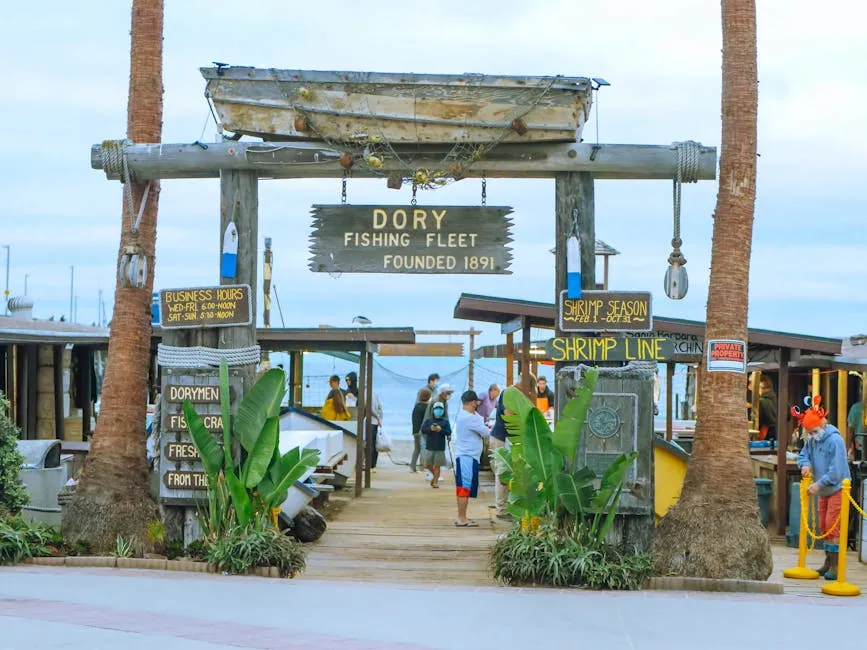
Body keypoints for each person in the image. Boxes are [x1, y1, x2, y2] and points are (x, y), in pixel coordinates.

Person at [795, 396, 851, 580]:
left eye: (814, 431)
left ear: (822, 426)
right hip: (822, 489)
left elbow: (836, 472)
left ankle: (835, 565)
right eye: (809, 432)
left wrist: (818, 485)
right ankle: (828, 562)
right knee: (822, 525)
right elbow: (803, 454)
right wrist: (805, 464)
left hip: (837, 487)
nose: (812, 435)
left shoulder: (835, 441)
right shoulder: (811, 440)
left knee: (832, 526)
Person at [489, 373, 535, 520]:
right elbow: (509, 414)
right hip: (502, 438)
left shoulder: (516, 394)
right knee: (503, 472)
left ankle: (508, 505)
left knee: (512, 473)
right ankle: (501, 509)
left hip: (510, 439)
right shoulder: (509, 393)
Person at [453, 390, 490, 527]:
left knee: (464, 486)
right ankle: (461, 518)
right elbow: (485, 432)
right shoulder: (469, 418)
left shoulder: (464, 415)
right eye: (476, 403)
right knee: (464, 487)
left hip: (468, 456)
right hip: (467, 456)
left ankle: (462, 516)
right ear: (472, 402)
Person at [421, 401, 452, 488]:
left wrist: (440, 430)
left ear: (443, 411)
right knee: (427, 464)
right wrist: (430, 429)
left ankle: (435, 481)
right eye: (437, 408)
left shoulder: (445, 422)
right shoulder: (428, 421)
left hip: (440, 447)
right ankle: (435, 476)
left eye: (441, 409)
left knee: (438, 465)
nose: (439, 410)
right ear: (433, 410)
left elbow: (449, 432)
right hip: (429, 446)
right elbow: (423, 430)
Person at [410, 388, 433, 472]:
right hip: (422, 432)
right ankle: (423, 466)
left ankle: (413, 466)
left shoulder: (417, 405)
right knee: (424, 449)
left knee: (417, 449)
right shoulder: (426, 407)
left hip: (415, 431)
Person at [757, 377, 777, 444]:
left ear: (762, 388)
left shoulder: (762, 401)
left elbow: (760, 418)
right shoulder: (776, 398)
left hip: (764, 431)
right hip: (776, 431)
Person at [368, 390, 384, 470]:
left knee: (370, 443)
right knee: (374, 443)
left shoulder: (365, 393)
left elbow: (369, 408)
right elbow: (380, 407)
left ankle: (369, 464)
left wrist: (377, 417)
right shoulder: (374, 393)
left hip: (369, 421)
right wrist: (380, 419)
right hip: (375, 422)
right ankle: (373, 464)